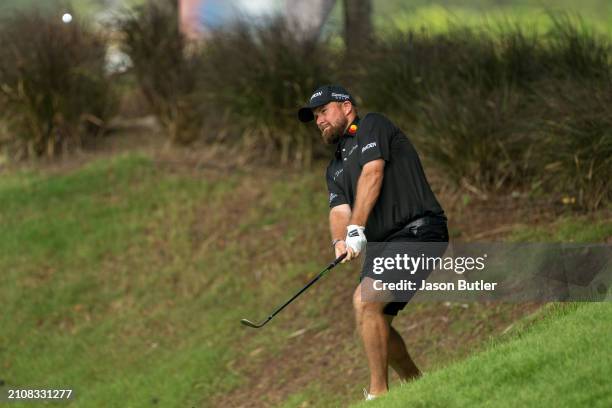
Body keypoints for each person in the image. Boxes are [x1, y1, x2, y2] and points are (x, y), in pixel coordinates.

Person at [297, 85, 449, 400]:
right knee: (373, 317)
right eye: (315, 117)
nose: (319, 121)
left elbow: (373, 174)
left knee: (365, 303)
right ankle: (419, 387)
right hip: (387, 246)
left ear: (346, 106)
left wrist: (356, 227)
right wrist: (339, 240)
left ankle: (379, 394)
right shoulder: (335, 167)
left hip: (418, 231)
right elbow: (339, 210)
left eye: (324, 111)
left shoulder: (372, 126)